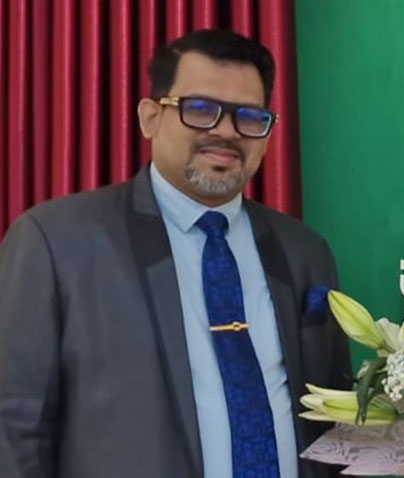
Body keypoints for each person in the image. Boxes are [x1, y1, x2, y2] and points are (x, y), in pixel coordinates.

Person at [0, 30, 350, 478]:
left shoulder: (304, 251)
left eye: (249, 116)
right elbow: (14, 425)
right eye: (200, 109)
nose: (225, 131)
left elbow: (335, 422)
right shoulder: (57, 241)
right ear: (150, 118)